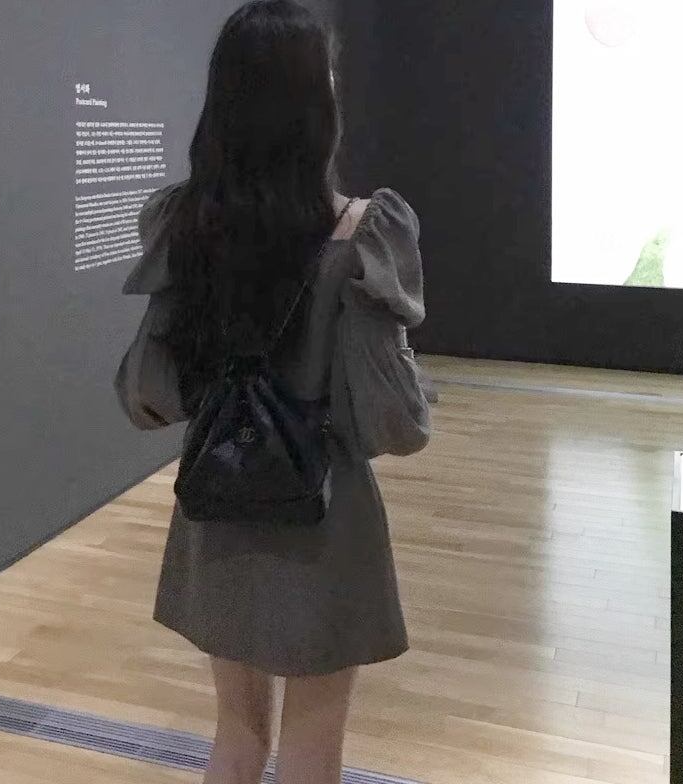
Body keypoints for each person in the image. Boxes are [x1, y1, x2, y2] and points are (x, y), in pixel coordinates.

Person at [114, 2, 432, 782]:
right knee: (313, 747)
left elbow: (151, 395)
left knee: (236, 735)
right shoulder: (363, 233)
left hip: (217, 507)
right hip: (323, 516)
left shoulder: (185, 226)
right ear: (315, 104)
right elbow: (395, 425)